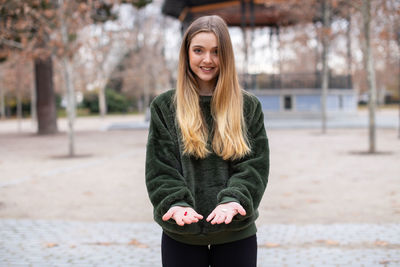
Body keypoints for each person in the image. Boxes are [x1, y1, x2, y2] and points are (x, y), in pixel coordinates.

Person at [145, 15, 269, 267]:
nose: (207, 59)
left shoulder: (248, 106)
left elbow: (254, 166)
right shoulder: (165, 106)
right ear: (186, 53)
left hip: (236, 232)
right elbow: (160, 168)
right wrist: (175, 203)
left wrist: (235, 200)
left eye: (216, 51)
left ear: (227, 55)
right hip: (182, 233)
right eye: (198, 50)